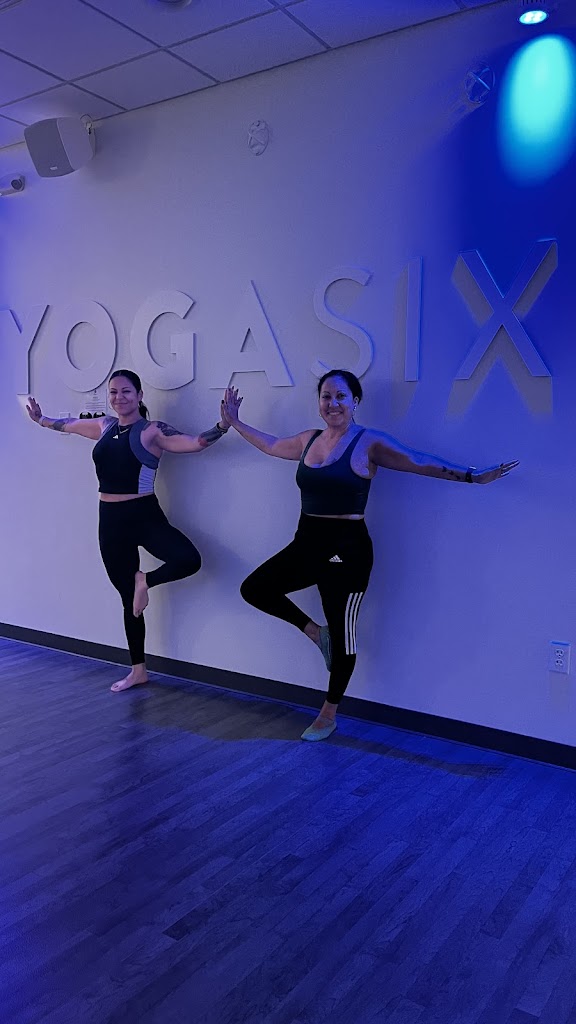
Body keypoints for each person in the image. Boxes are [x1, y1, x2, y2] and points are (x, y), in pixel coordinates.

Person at [220, 369, 518, 741]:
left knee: (344, 635)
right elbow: (271, 444)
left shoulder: (369, 442)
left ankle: (328, 714)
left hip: (348, 553)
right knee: (255, 588)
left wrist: (471, 476)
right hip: (306, 544)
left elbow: (418, 461)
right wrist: (235, 422)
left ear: (355, 401)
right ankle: (316, 633)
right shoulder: (308, 440)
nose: (333, 404)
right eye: (326, 396)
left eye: (341, 396)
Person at [26, 369, 229, 692]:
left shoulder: (151, 431)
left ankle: (144, 581)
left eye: (126, 391)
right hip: (110, 520)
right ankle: (138, 671)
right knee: (127, 600)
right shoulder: (104, 426)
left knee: (188, 559)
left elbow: (195, 443)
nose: (119, 397)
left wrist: (223, 425)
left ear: (139, 396)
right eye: (114, 392)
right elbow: (69, 425)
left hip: (144, 515)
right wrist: (41, 420)